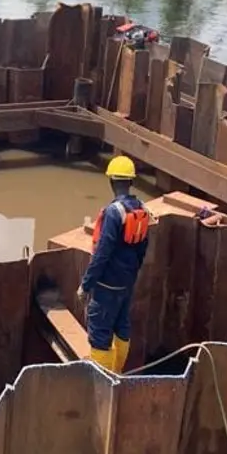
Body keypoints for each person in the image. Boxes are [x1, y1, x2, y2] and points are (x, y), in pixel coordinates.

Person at [76, 155, 151, 374]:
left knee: (99, 335)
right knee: (121, 328)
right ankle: (117, 372)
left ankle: (103, 380)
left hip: (106, 286)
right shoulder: (142, 210)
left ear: (111, 182)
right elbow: (142, 249)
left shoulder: (113, 213)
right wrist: (130, 277)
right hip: (126, 284)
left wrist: (86, 285)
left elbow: (102, 253)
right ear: (131, 182)